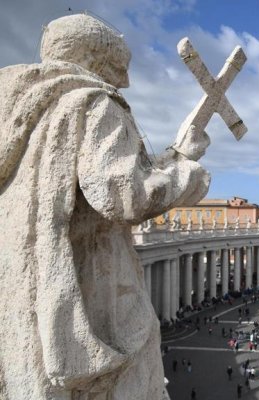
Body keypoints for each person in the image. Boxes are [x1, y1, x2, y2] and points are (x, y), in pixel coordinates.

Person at [0, 13, 211, 399]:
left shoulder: (17, 111)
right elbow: (126, 195)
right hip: (91, 283)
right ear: (96, 60)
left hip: (20, 286)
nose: (125, 81)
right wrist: (190, 175)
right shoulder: (92, 103)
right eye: (119, 68)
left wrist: (175, 155)